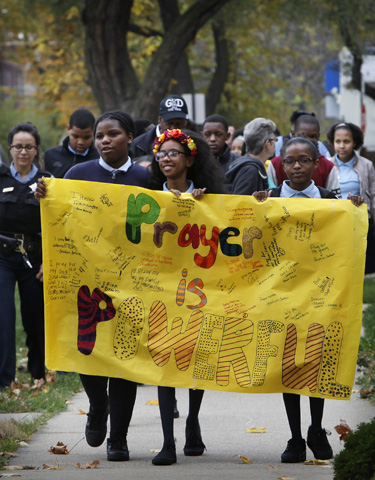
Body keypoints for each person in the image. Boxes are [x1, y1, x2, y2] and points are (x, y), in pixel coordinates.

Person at [35, 111, 149, 462]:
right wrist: (45, 196)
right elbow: (61, 222)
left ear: (130, 137)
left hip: (133, 282)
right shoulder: (76, 174)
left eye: (113, 134)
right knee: (89, 350)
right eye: (100, 135)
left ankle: (119, 438)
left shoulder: (146, 178)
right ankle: (98, 406)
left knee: (126, 360)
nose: (104, 140)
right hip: (87, 284)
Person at [253, 137, 364, 463]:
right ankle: (295, 436)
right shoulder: (269, 198)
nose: (297, 166)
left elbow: (348, 241)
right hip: (283, 297)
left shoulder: (332, 199)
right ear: (281, 164)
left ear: (318, 164)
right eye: (290, 161)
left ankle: (316, 428)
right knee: (289, 365)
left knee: (314, 364)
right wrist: (254, 208)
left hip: (320, 297)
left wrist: (354, 210)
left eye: (304, 160)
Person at [149, 128, 225, 466]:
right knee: (164, 364)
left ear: (190, 160)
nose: (166, 158)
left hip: (200, 293)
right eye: (161, 153)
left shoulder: (213, 200)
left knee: (196, 360)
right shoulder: (148, 198)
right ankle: (168, 441)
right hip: (162, 293)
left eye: (173, 153)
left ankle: (192, 420)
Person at [0, 122, 52, 390]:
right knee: (4, 317)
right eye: (18, 146)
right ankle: (4, 379)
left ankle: (37, 374)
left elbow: (56, 223)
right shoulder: (0, 178)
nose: (23, 151)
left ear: (36, 149)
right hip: (3, 257)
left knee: (35, 318)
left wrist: (48, 260)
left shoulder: (46, 181)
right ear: (10, 148)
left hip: (35, 257)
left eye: (29, 147)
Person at [327, 121, 375, 273]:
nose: (342, 146)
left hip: (359, 221)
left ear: (355, 142)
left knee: (358, 265)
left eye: (346, 141)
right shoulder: (326, 165)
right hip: (334, 221)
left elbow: (373, 194)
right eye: (338, 141)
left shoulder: (366, 165)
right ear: (332, 142)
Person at [268, 115, 340, 196]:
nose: (307, 140)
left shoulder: (328, 166)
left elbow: (336, 202)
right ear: (293, 134)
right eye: (290, 161)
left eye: (313, 137)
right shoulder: (275, 164)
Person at [226, 117, 277, 195]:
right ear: (267, 144)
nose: (275, 144)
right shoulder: (250, 170)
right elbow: (240, 204)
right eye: (274, 140)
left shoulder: (248, 165)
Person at [44, 108, 99, 178]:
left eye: (86, 137)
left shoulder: (99, 160)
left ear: (94, 132)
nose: (80, 142)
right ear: (68, 129)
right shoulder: (50, 156)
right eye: (75, 136)